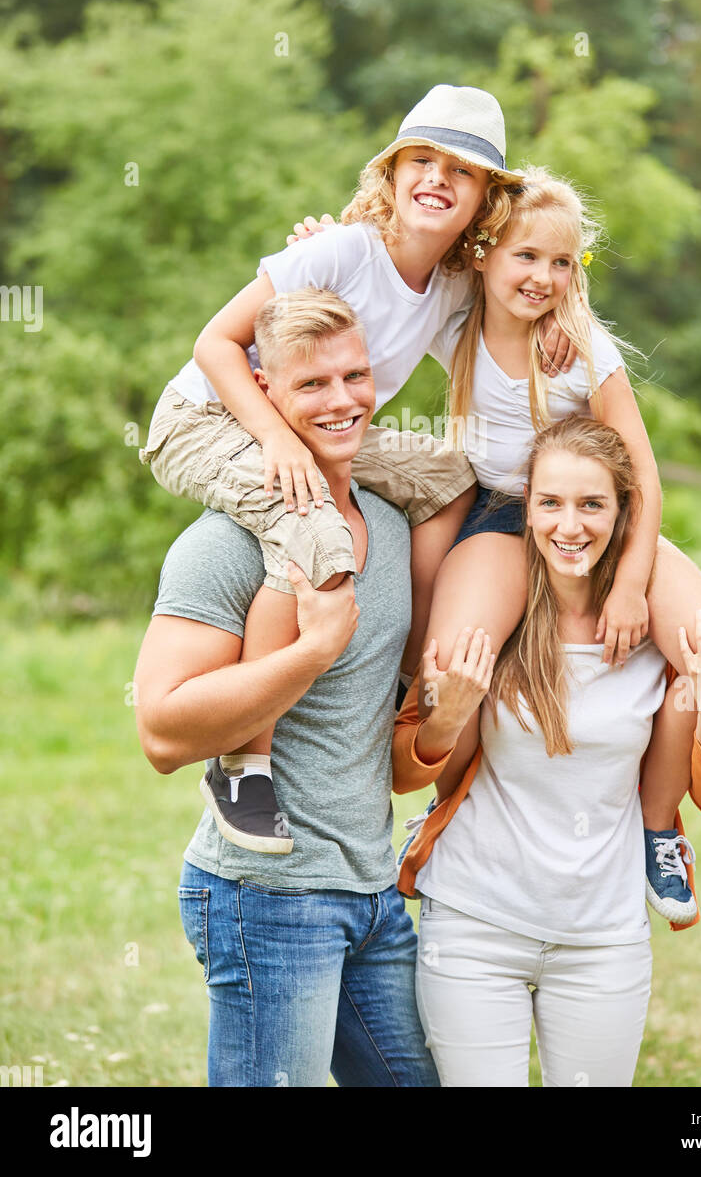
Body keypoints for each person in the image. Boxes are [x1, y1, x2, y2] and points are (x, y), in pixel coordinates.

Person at [138, 84, 574, 852]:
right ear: (393, 173)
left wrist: (558, 328)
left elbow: (524, 288)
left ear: (483, 204)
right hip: (209, 417)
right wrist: (273, 437)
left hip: (321, 424)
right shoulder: (338, 251)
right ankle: (245, 762)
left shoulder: (449, 288)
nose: (437, 178)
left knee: (447, 478)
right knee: (304, 517)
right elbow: (214, 343)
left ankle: (407, 682)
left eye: (461, 172)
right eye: (421, 160)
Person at [134, 288, 470, 1087]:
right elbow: (162, 733)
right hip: (271, 901)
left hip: (372, 893)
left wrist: (441, 717)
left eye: (355, 376)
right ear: (265, 395)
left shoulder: (391, 522)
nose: (341, 399)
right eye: (312, 385)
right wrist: (310, 652)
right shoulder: (222, 547)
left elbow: (385, 755)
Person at [394, 168, 701, 922]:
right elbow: (386, 277)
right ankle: (446, 801)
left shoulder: (582, 347)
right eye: (527, 257)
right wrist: (328, 243)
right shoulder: (454, 316)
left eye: (563, 263)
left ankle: (658, 827)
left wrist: (628, 585)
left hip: (600, 520)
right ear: (483, 253)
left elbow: (642, 476)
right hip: (505, 516)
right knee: (451, 657)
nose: (545, 277)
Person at [393, 416, 701, 1087]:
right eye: (551, 503)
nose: (570, 525)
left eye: (592, 505)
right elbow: (407, 771)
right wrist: (448, 720)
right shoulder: (493, 613)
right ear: (526, 507)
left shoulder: (654, 634)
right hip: (474, 924)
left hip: (603, 936)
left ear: (623, 513)